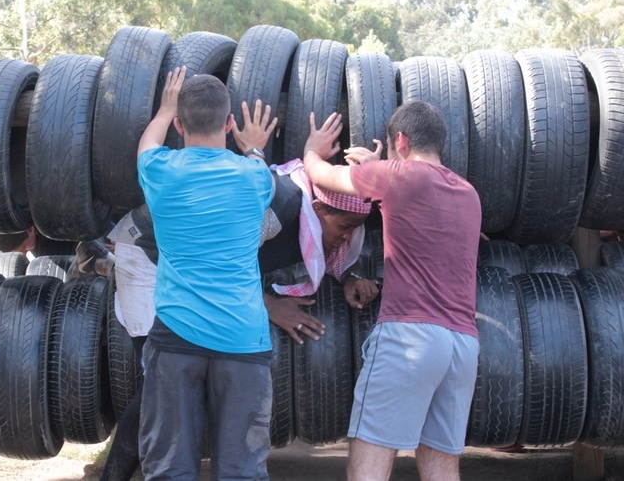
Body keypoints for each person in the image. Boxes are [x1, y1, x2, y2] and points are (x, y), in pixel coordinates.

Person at [98, 167, 378, 480]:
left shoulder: (316, 221)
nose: (349, 236)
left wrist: (350, 277)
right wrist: (269, 304)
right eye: (345, 227)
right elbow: (218, 254)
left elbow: (332, 252)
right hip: (151, 252)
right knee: (158, 380)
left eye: (355, 230)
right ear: (318, 209)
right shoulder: (282, 205)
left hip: (197, 266)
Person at [302, 100, 482, 481]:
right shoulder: (468, 193)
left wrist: (311, 148)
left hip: (410, 338)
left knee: (371, 455)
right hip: (462, 346)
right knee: (441, 461)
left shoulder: (396, 177)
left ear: (399, 140)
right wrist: (378, 168)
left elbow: (319, 175)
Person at [136, 66, 276, 479]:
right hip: (243, 339)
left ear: (180, 124)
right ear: (230, 123)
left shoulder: (159, 171)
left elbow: (147, 143)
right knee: (242, 470)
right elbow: (256, 163)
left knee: (169, 468)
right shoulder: (255, 177)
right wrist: (253, 147)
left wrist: (163, 109)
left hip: (176, 336)